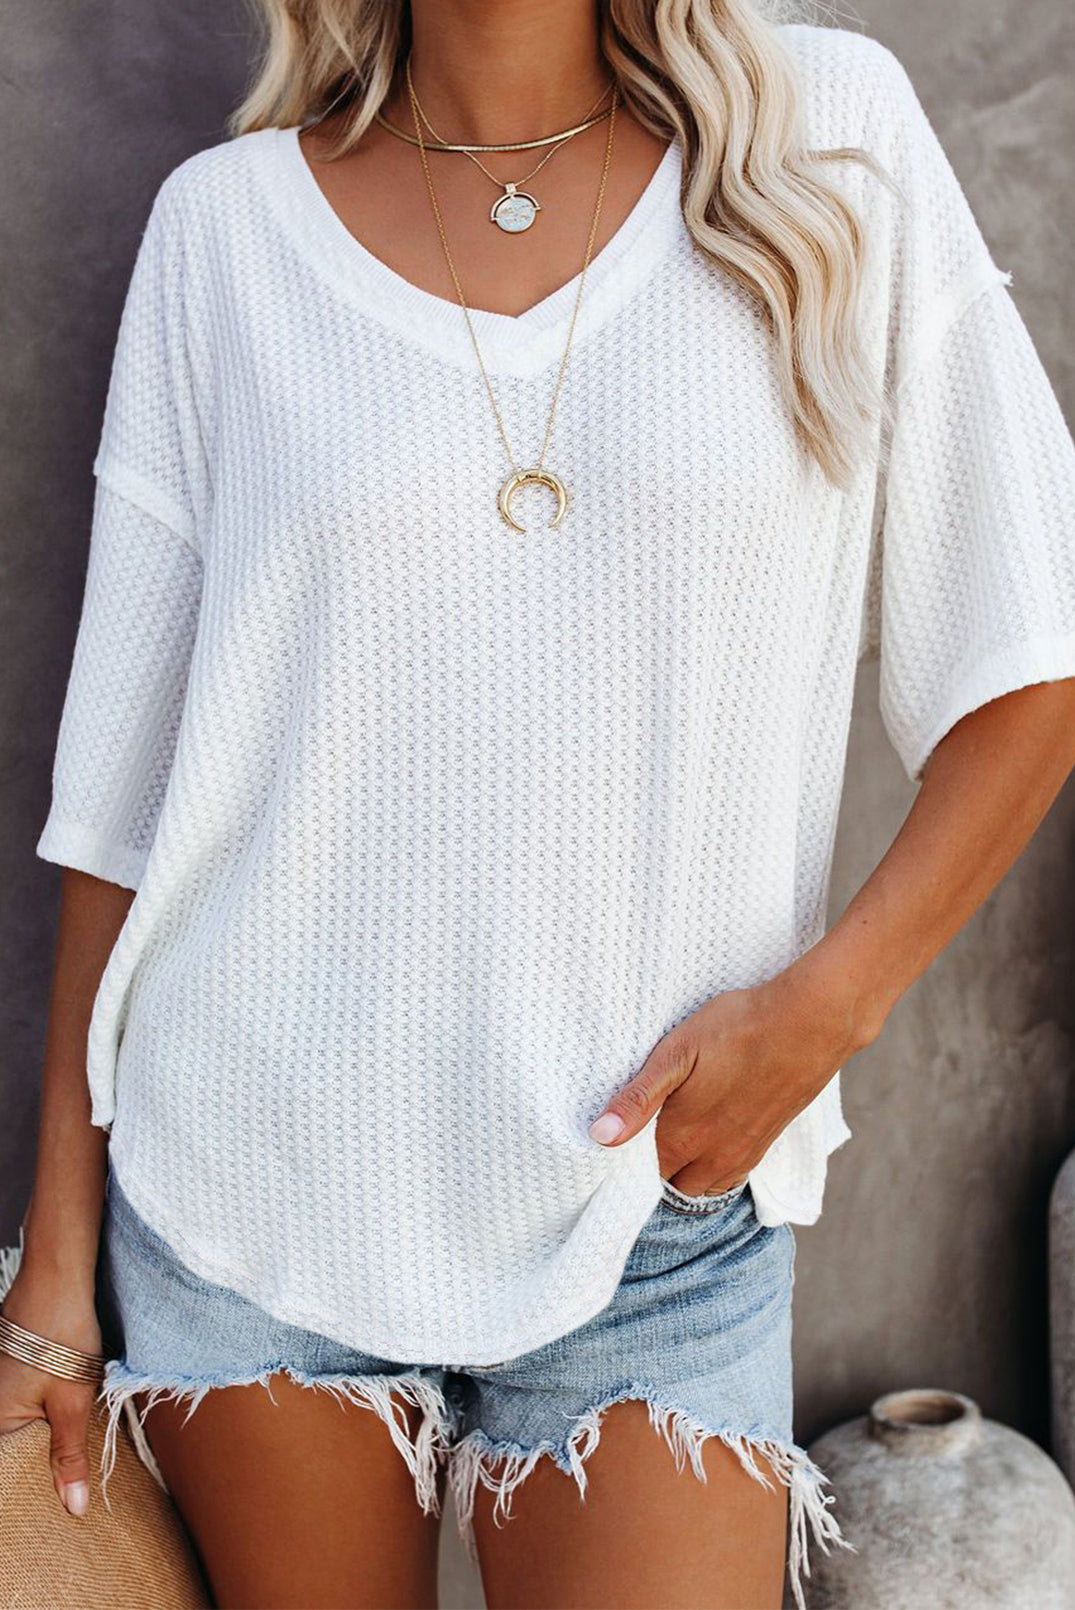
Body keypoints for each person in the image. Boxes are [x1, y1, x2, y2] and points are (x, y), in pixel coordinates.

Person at [3, 2, 1075, 1606]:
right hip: (256, 1187)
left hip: (654, 1206)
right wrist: (55, 1264)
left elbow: (1032, 658)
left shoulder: (828, 141)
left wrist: (828, 1010)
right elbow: (118, 807)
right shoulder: (221, 236)